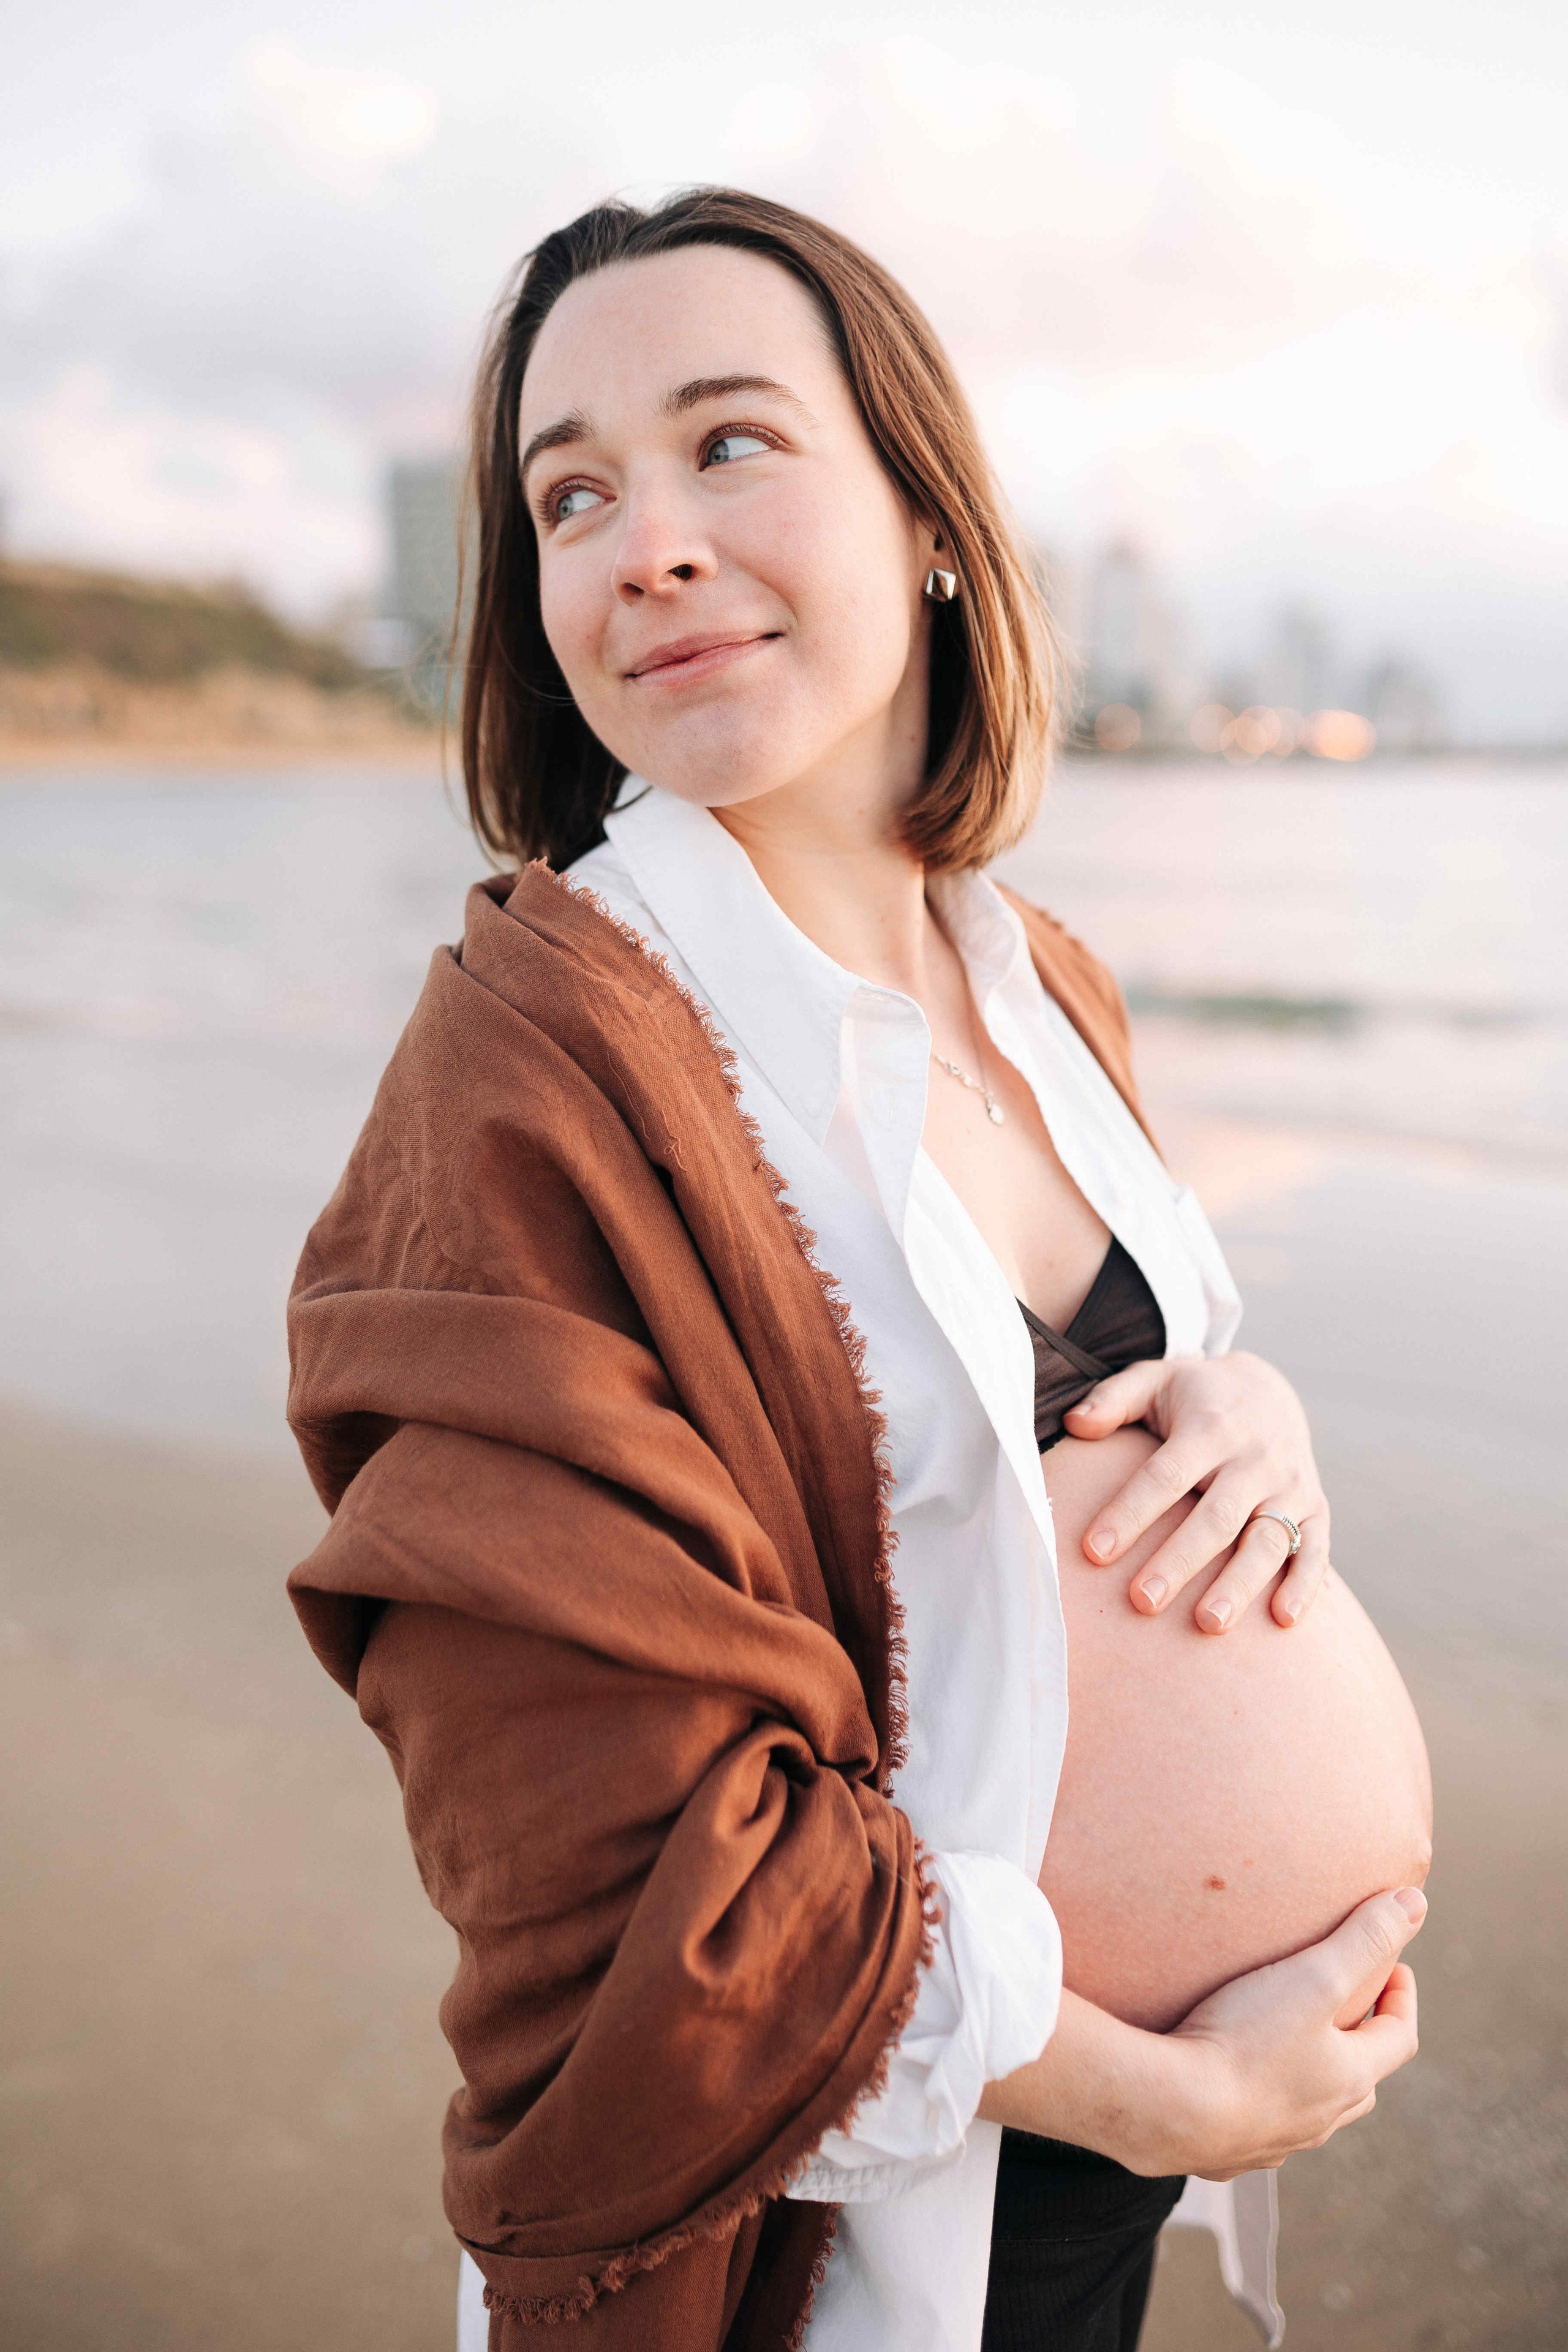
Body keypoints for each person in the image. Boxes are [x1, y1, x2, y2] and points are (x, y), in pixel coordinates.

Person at [285, 189, 1429, 2352]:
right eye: (574, 494)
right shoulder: (531, 1070)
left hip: (1078, 2230)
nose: (651, 543)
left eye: (732, 442)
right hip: (814, 2262)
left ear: (923, 508)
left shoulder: (1043, 983)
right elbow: (601, 1853)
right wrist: (1165, 2086)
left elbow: (1041, 1450)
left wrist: (1244, 1405)